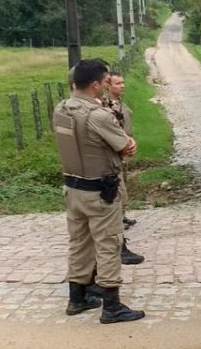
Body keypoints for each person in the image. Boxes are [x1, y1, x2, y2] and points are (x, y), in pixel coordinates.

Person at [53, 58, 144, 323]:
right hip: (99, 189)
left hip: (72, 187)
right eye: (106, 82)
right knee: (108, 243)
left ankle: (77, 297)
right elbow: (124, 146)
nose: (107, 86)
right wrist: (128, 143)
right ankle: (112, 305)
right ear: (95, 85)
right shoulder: (97, 115)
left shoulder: (62, 109)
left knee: (79, 243)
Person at [103, 72, 144, 265]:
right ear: (107, 85)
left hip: (121, 155)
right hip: (112, 157)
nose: (123, 86)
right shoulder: (102, 108)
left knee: (123, 195)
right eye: (118, 83)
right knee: (118, 198)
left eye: (123, 82)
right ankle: (118, 247)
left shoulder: (119, 103)